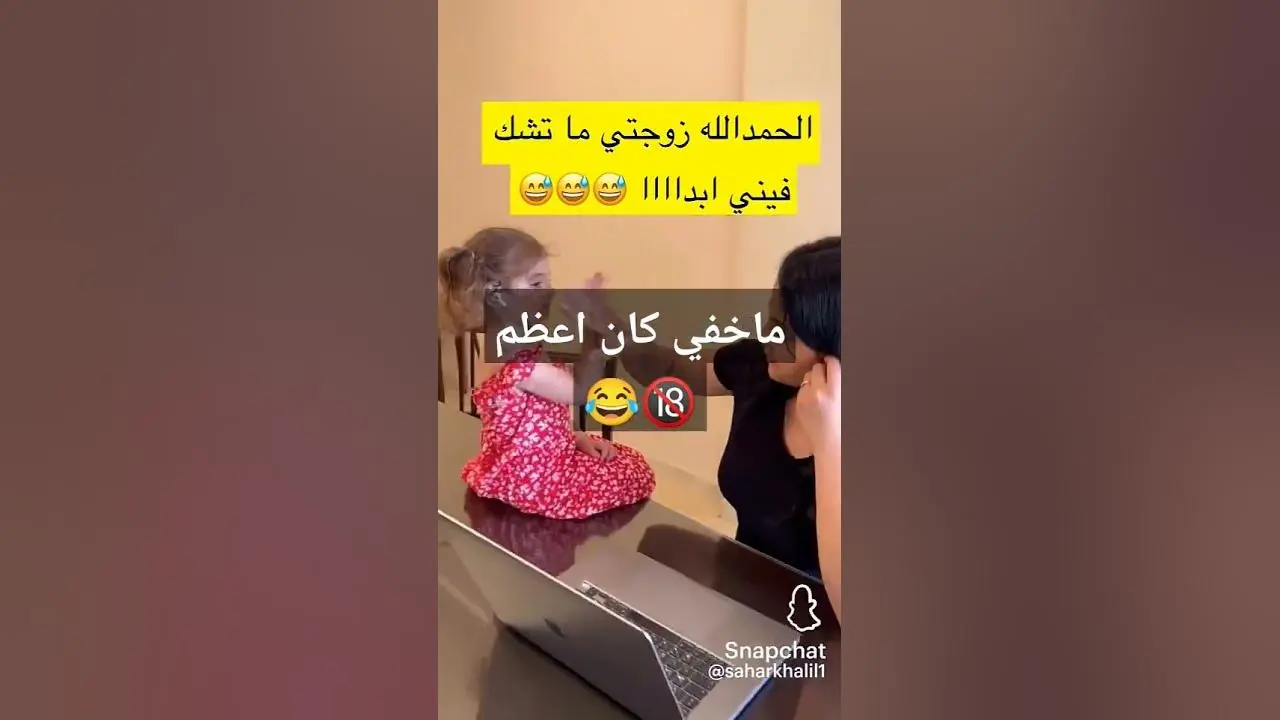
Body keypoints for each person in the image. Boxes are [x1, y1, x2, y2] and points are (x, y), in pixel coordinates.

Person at [564, 236, 841, 579]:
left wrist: (830, 441)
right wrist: (611, 326)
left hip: (817, 606)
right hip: (748, 580)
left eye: (784, 330)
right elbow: (673, 369)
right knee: (654, 545)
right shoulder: (760, 366)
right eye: (770, 320)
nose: (767, 335)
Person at [438, 227, 655, 520]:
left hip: (508, 471)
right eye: (536, 282)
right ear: (496, 293)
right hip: (538, 484)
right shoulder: (523, 367)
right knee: (634, 468)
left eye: (548, 282)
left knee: (618, 457)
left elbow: (529, 423)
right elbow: (580, 392)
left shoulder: (497, 348)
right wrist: (593, 329)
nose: (549, 291)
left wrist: (574, 437)